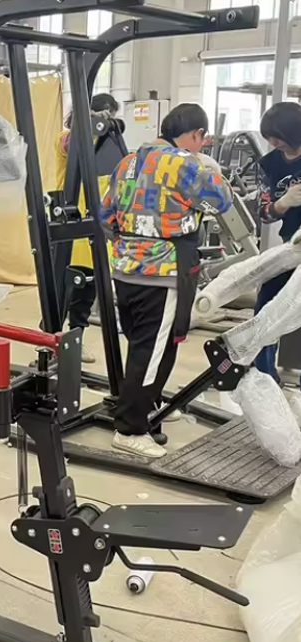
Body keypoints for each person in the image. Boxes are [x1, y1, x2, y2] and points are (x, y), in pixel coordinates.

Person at [99, 103, 233, 458]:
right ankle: (130, 429)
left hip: (125, 270)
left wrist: (132, 245)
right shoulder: (186, 164)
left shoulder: (127, 162)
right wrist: (212, 170)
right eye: (202, 140)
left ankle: (146, 405)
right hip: (163, 273)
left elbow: (105, 214)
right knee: (154, 350)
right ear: (197, 134)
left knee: (141, 344)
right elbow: (222, 201)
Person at [54, 93, 120, 364]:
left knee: (87, 289)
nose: (107, 121)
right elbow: (71, 146)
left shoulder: (106, 146)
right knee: (62, 287)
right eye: (105, 115)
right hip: (69, 222)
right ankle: (51, 337)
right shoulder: (66, 137)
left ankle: (76, 338)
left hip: (95, 224)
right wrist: (90, 123)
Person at [252, 102, 301, 381]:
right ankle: (264, 374)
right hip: (292, 247)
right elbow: (263, 212)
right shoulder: (269, 164)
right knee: (266, 305)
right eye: (269, 137)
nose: (274, 142)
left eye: (278, 136)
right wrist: (282, 204)